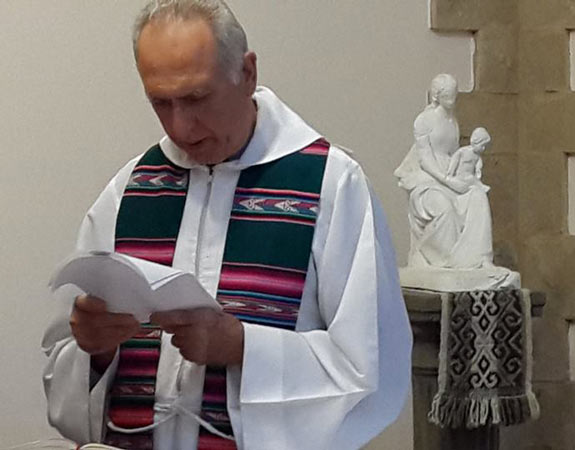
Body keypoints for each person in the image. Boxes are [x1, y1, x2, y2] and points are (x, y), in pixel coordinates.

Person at [42, 1, 412, 450]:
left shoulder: (332, 184)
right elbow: (63, 375)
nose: (181, 127)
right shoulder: (131, 189)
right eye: (161, 103)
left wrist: (243, 347)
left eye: (196, 98)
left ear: (247, 73)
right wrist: (95, 348)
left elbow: (375, 374)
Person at [394, 74, 493, 269]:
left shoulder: (452, 121)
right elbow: (425, 159)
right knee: (445, 209)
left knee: (478, 197)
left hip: (451, 176)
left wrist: (465, 177)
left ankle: (479, 258)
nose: (452, 100)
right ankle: (441, 259)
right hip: (427, 180)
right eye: (448, 95)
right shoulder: (424, 121)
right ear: (437, 96)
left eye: (454, 95)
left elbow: (455, 155)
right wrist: (447, 180)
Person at [447, 127, 491, 193]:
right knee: (472, 179)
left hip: (470, 177)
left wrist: (478, 171)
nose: (483, 148)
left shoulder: (477, 157)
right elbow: (454, 162)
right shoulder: (462, 152)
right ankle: (481, 186)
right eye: (482, 146)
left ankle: (479, 186)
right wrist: (450, 174)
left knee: (473, 179)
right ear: (476, 142)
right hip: (460, 176)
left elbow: (478, 167)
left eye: (485, 146)